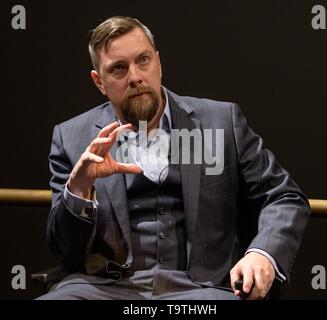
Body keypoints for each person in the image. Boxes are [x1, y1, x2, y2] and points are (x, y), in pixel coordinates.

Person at [38, 16, 310, 300]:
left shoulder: (220, 122)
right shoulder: (72, 138)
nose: (135, 77)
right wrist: (80, 189)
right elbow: (66, 253)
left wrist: (262, 254)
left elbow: (283, 196)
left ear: (158, 63)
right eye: (118, 68)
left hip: (202, 289)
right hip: (106, 289)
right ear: (99, 82)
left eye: (143, 60)